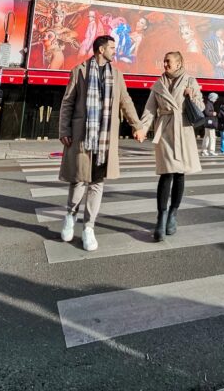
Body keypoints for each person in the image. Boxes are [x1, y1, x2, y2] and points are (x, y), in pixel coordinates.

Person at [58, 35, 145, 251]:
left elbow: (126, 101)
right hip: (82, 136)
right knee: (78, 181)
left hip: (105, 139)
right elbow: (67, 102)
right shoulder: (79, 71)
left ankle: (89, 227)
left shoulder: (117, 75)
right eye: (112, 48)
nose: (115, 51)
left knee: (97, 183)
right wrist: (64, 129)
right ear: (100, 49)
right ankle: (70, 215)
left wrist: (138, 125)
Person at [139, 51, 203, 242]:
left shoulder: (190, 81)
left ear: (179, 63)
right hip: (166, 130)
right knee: (166, 174)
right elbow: (150, 110)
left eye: (168, 61)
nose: (165, 64)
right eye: (164, 61)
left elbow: (200, 106)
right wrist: (142, 129)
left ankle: (173, 213)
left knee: (179, 173)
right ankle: (161, 217)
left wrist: (191, 97)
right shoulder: (158, 85)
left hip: (183, 129)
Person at [201, 92, 219, 156]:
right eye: (215, 98)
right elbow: (207, 112)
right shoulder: (209, 104)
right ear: (212, 98)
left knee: (207, 137)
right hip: (210, 123)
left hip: (207, 123)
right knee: (212, 137)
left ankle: (204, 150)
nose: (216, 100)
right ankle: (211, 150)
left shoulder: (208, 103)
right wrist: (213, 113)